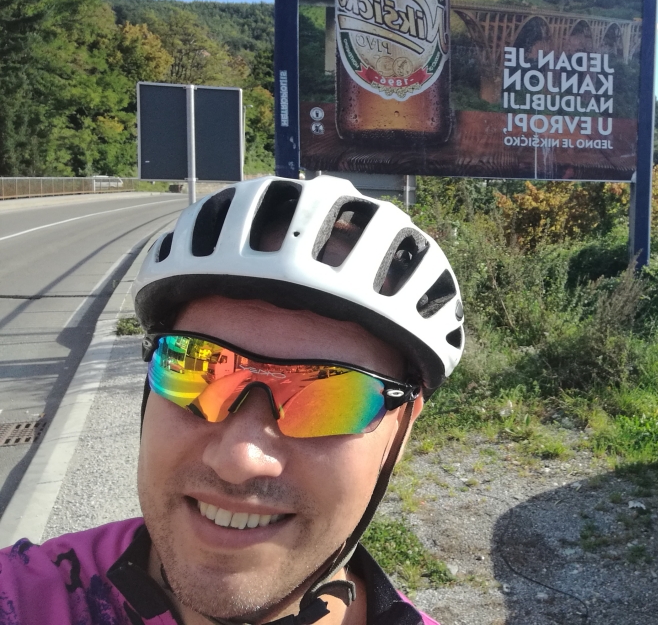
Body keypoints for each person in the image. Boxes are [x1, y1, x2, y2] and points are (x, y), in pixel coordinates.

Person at [0, 175, 465, 624]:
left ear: (402, 428)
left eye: (331, 397)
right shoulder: (21, 595)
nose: (238, 461)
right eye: (196, 369)